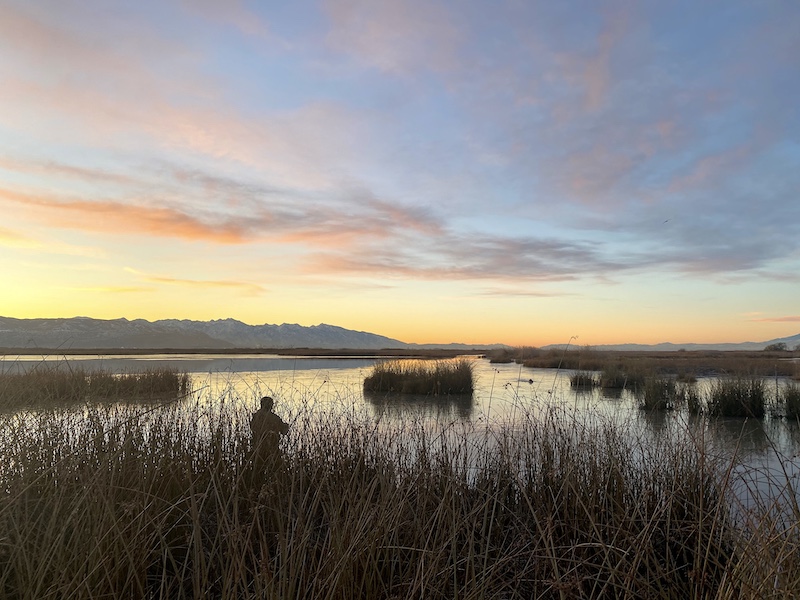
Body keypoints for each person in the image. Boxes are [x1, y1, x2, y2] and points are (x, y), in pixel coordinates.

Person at [250, 396, 289, 471]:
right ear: (271, 405)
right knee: (275, 470)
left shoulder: (256, 416)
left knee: (257, 471)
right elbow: (284, 432)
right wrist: (286, 426)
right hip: (272, 450)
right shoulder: (275, 418)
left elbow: (252, 428)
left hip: (256, 449)